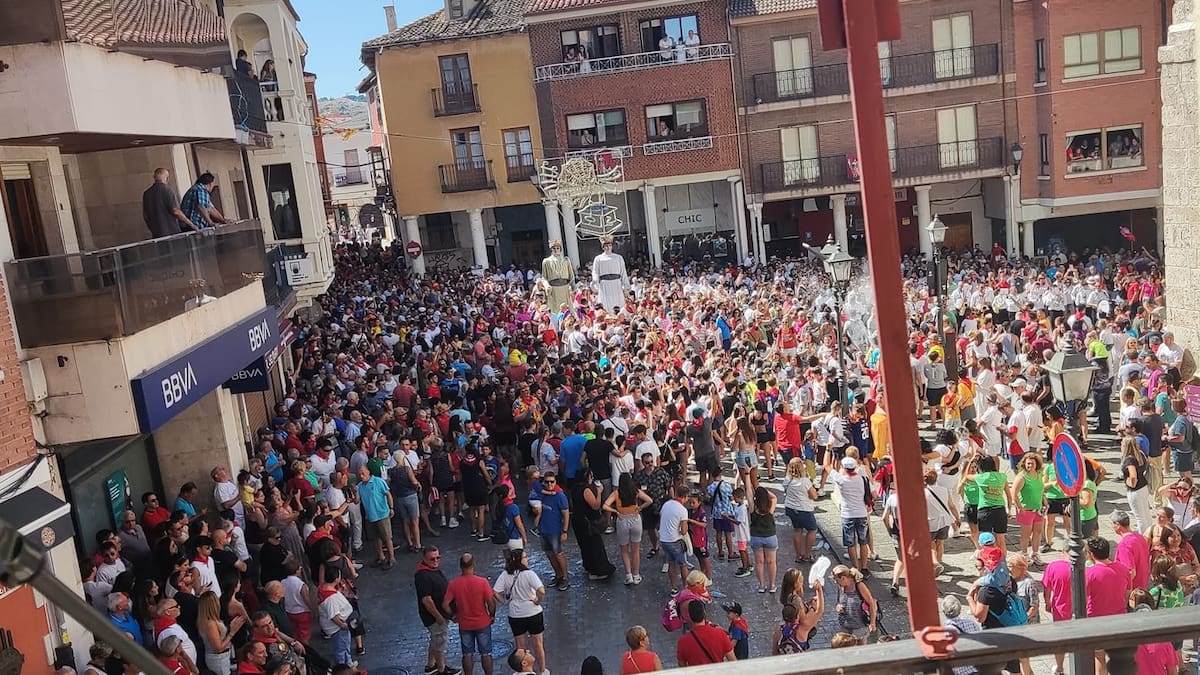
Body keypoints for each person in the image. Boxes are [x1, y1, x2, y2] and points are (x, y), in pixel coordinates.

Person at [494, 549, 547, 675]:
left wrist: (505, 602)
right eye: (525, 557)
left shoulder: (505, 575)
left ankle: (522, 671)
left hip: (515, 614)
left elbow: (495, 592)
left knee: (521, 647)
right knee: (538, 644)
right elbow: (541, 591)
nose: (527, 559)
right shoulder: (529, 574)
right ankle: (542, 670)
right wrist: (537, 601)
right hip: (533, 613)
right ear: (520, 560)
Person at [443, 553, 496, 675]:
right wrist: (492, 615)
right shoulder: (482, 582)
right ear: (473, 564)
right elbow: (491, 602)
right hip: (482, 622)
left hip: (465, 624)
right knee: (486, 653)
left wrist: (453, 615)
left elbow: (445, 604)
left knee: (467, 654)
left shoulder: (454, 584)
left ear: (460, 566)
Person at [415, 546, 459, 675]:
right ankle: (441, 669)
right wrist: (438, 617)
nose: (436, 561)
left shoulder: (432, 569)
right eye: (432, 559)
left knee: (435, 640)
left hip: (440, 614)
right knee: (440, 642)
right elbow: (426, 600)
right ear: (424, 559)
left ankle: (431, 665)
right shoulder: (423, 576)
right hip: (435, 617)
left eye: (437, 558)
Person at [604, 472, 652, 584]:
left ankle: (628, 575)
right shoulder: (635, 491)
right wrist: (639, 508)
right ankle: (636, 575)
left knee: (624, 550)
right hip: (635, 519)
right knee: (636, 550)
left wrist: (615, 511)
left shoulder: (616, 493)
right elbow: (649, 500)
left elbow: (605, 505)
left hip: (622, 520)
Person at [571, 467, 616, 581]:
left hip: (578, 520)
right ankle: (598, 570)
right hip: (587, 522)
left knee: (584, 546)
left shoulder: (574, 488)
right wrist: (599, 492)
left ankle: (589, 567)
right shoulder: (585, 489)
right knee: (595, 545)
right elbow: (595, 505)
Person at [830, 456, 871, 575]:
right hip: (862, 513)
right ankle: (864, 567)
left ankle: (855, 568)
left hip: (847, 514)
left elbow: (827, 466)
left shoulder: (841, 480)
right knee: (863, 542)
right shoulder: (863, 479)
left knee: (850, 543)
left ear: (843, 468)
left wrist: (828, 450)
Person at [535, 471, 571, 591]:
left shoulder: (560, 496)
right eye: (547, 482)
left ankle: (565, 577)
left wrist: (564, 531)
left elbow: (566, 514)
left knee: (558, 554)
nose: (550, 484)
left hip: (555, 531)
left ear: (555, 482)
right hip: (543, 529)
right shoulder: (542, 494)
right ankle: (558, 575)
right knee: (550, 554)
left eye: (552, 482)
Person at [674, 601, 736, 666]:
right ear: (704, 614)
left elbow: (682, 666)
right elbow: (733, 661)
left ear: (689, 617)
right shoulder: (720, 634)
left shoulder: (683, 641)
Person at [357, 465, 395, 570]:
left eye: (363, 473)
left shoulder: (378, 481)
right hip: (370, 516)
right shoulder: (360, 486)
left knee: (387, 537)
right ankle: (381, 557)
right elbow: (356, 501)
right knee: (375, 538)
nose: (361, 476)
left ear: (368, 472)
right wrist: (354, 492)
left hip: (382, 514)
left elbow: (388, 494)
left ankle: (391, 558)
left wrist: (391, 508)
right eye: (359, 474)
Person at [319, 564, 357, 669]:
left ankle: (348, 663)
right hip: (338, 627)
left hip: (337, 625)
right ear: (336, 579)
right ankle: (342, 668)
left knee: (344, 645)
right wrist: (343, 625)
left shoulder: (323, 588)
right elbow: (333, 616)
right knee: (341, 647)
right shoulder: (331, 598)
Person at [198, 590, 245, 675]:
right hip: (218, 660)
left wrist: (230, 627)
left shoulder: (212, 620)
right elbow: (218, 648)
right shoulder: (210, 624)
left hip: (223, 657)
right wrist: (232, 632)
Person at [781, 457, 818, 564]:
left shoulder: (787, 480)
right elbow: (814, 496)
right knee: (812, 530)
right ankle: (807, 555)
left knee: (797, 530)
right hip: (804, 509)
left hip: (791, 508)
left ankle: (798, 555)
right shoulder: (805, 481)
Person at [143, 168, 195, 237]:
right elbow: (175, 211)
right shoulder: (167, 190)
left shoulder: (146, 193)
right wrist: (191, 224)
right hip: (172, 233)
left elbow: (145, 216)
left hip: (157, 234)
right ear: (167, 178)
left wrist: (152, 229)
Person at [658, 483, 691, 594]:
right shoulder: (682, 510)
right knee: (683, 564)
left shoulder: (666, 504)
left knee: (671, 564)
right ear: (685, 497)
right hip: (675, 540)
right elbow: (684, 531)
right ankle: (686, 587)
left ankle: (673, 588)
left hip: (664, 539)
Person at [832, 565, 875, 644]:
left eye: (836, 579)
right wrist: (838, 606)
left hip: (859, 626)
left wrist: (872, 623)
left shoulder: (859, 586)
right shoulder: (840, 587)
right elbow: (838, 602)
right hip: (845, 626)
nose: (835, 582)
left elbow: (871, 603)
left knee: (860, 649)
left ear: (843, 578)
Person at [749, 486, 779, 593]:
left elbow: (749, 492)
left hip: (756, 538)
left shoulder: (753, 508)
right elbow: (774, 497)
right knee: (771, 562)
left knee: (759, 562)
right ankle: (772, 585)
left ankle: (761, 585)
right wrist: (765, 491)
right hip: (770, 537)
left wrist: (754, 489)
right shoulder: (770, 508)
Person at [1112, 509, 1151, 590]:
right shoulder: (1140, 537)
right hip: (1143, 583)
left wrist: (1124, 589)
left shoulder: (1124, 545)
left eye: (1113, 524)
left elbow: (1130, 572)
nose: (1112, 527)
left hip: (1133, 588)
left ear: (1118, 525)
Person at [591, 235, 630, 313]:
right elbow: (595, 272)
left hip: (616, 284)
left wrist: (626, 287)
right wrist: (595, 282)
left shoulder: (618, 257)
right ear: (603, 247)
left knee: (619, 305)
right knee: (606, 305)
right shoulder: (598, 258)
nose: (608, 247)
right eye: (606, 246)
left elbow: (623, 272)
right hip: (604, 284)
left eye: (609, 245)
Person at [539, 240, 575, 315]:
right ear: (551, 249)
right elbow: (544, 277)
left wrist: (573, 287)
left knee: (568, 311)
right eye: (554, 248)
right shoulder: (546, 261)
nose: (556, 250)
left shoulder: (566, 260)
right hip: (554, 289)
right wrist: (547, 285)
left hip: (565, 288)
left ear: (560, 249)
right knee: (555, 311)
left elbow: (571, 275)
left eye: (557, 248)